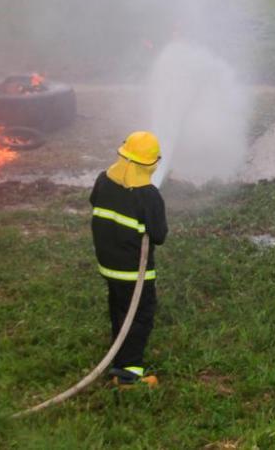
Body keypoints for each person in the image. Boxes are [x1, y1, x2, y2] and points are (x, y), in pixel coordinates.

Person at [89, 131, 168, 387]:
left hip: (107, 264)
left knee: (119, 308)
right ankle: (128, 374)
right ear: (151, 163)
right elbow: (159, 235)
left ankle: (118, 352)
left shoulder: (103, 180)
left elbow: (94, 201)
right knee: (140, 315)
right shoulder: (147, 194)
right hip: (134, 271)